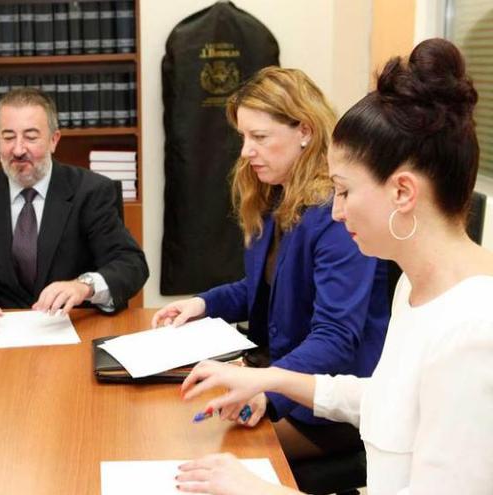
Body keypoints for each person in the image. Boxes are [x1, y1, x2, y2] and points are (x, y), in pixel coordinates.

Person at [176, 38, 493, 494]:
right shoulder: (415, 287)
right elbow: (386, 400)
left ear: (402, 193)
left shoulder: (472, 332)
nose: (338, 211)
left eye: (344, 191)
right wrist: (268, 378)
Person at [151, 67, 389, 462]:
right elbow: (263, 289)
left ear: (305, 132)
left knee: (210, 455)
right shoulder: (275, 195)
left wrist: (266, 388)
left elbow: (335, 338)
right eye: (243, 137)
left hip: (332, 406)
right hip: (283, 374)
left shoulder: (338, 214)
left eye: (259, 137)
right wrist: (202, 304)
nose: (246, 151)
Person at [0, 87, 148, 334]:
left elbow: (131, 265)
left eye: (31, 137)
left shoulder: (92, 192)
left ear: (54, 140)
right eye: (8, 137)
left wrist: (82, 287)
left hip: (75, 330)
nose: (18, 149)